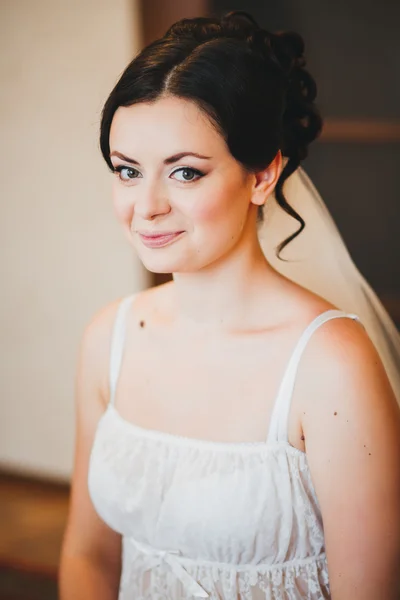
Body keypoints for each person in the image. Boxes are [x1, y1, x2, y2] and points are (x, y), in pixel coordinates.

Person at [59, 10, 400, 600]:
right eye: (128, 171)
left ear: (264, 175)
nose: (147, 206)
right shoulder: (108, 338)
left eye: (185, 173)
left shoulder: (330, 365)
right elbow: (89, 556)